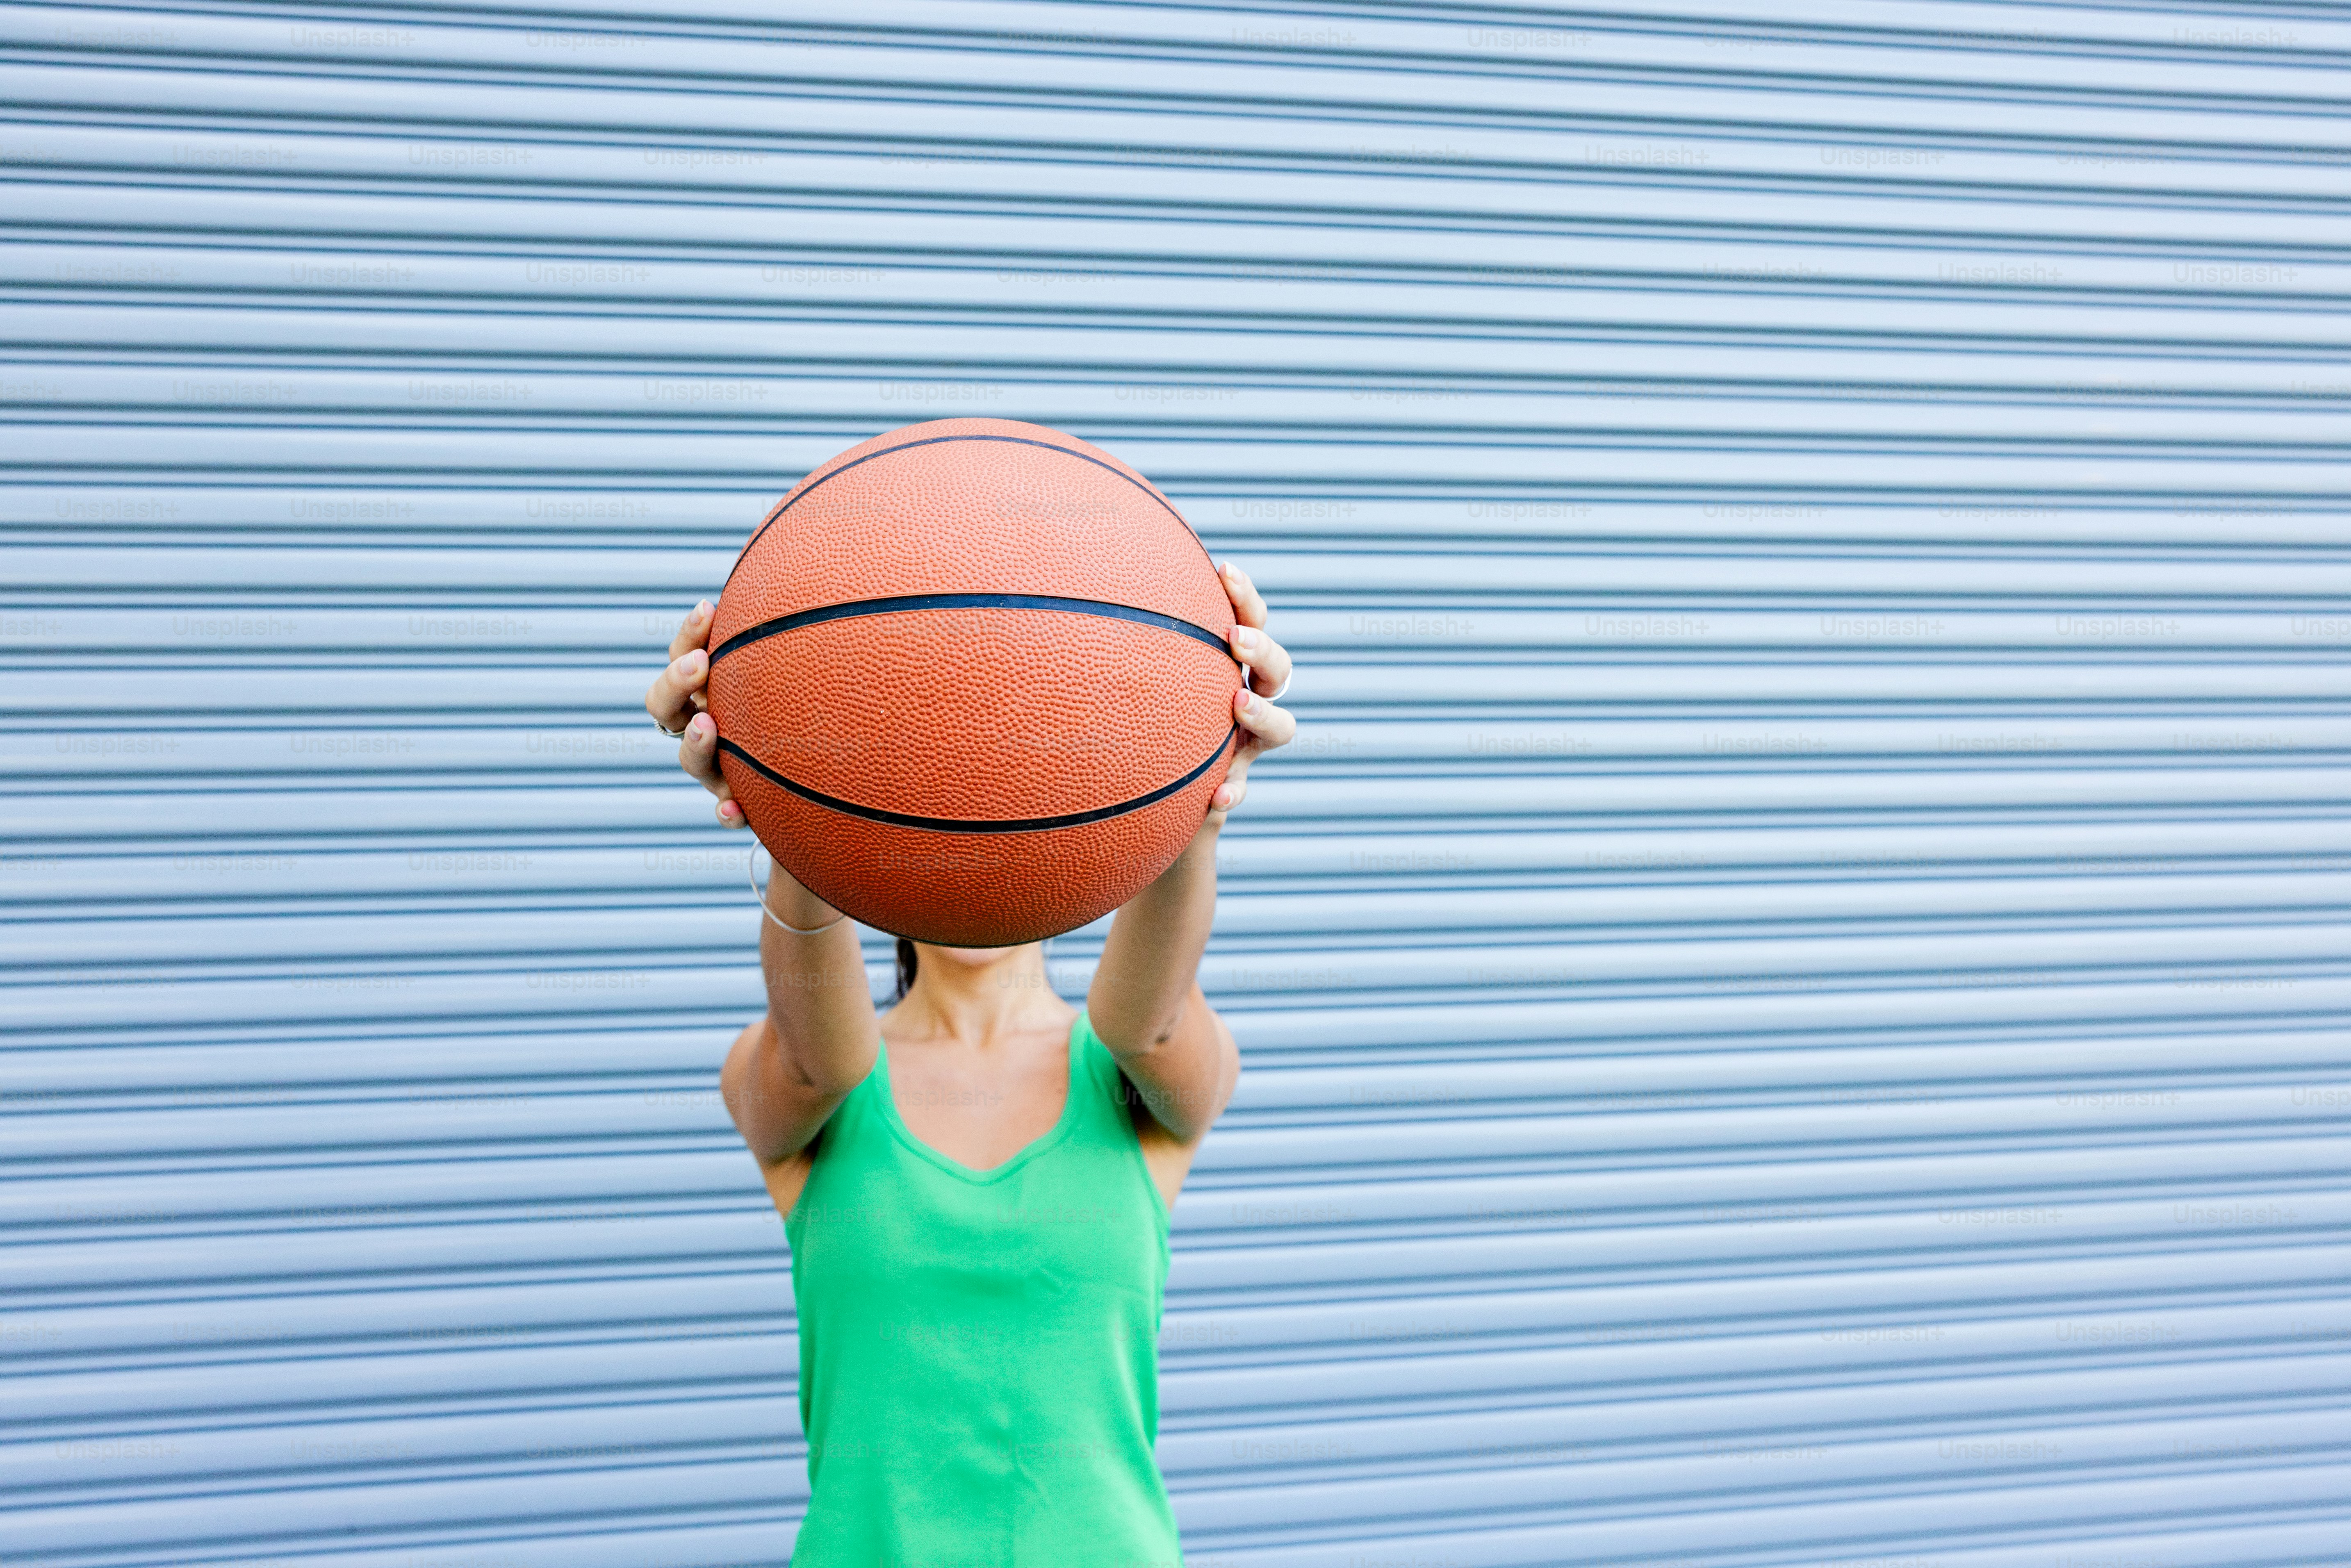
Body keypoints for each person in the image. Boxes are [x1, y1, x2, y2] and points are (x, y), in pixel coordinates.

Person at [644, 560, 1296, 1564]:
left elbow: (1144, 1023)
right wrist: (786, 791)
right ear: (885, 840)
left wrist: (1196, 797)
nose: (972, 837)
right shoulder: (816, 1083)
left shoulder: (1127, 1077)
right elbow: (818, 1063)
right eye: (943, 810)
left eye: (1002, 801)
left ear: (1056, 828)